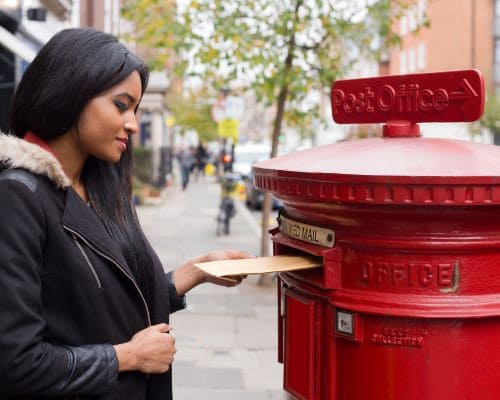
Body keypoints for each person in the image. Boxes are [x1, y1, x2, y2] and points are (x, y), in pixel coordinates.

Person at [0, 28, 249, 400]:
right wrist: (128, 357)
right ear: (71, 93)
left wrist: (198, 270)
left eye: (135, 109)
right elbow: (17, 361)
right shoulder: (18, 196)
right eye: (121, 105)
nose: (132, 123)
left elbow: (108, 305)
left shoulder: (96, 187)